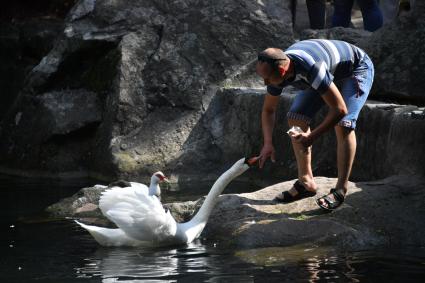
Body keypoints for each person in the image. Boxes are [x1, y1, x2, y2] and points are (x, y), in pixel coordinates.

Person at [256, 39, 374, 210]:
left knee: (344, 124)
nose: (265, 83)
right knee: (296, 117)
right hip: (328, 72)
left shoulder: (312, 69)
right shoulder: (276, 73)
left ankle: (340, 189)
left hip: (355, 69)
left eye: (267, 78)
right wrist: (267, 143)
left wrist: (312, 136)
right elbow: (268, 110)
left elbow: (339, 109)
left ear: (282, 70)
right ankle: (306, 182)